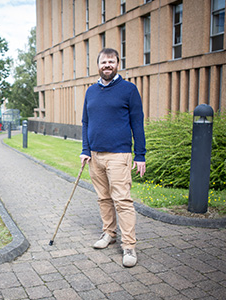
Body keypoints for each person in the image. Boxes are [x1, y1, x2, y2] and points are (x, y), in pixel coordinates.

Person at [80, 48, 146, 268]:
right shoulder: (91, 91)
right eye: (103, 62)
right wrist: (85, 150)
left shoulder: (128, 90)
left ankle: (129, 246)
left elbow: (137, 123)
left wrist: (140, 155)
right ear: (97, 65)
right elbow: (86, 122)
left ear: (118, 63)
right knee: (103, 198)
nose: (107, 65)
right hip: (95, 156)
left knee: (122, 201)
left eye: (111, 61)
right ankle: (109, 234)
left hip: (119, 155)